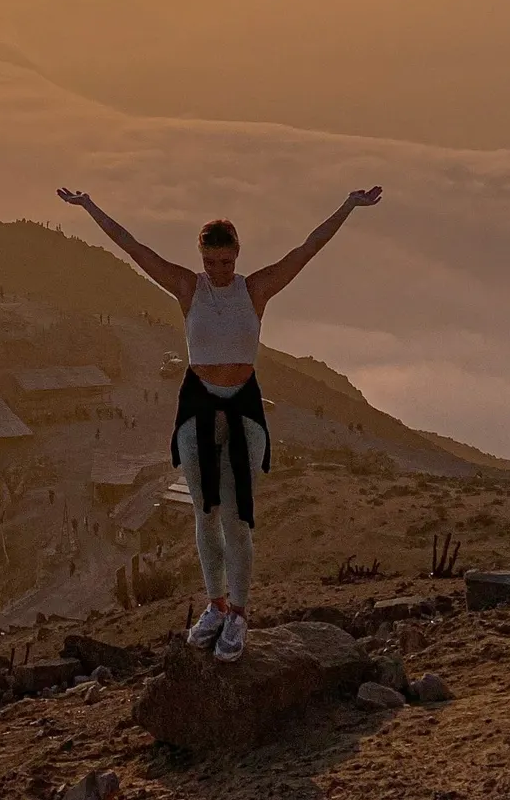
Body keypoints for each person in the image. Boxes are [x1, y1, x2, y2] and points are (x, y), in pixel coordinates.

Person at [56, 185, 382, 663]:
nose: (219, 270)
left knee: (237, 516)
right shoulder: (190, 289)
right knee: (204, 511)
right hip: (198, 404)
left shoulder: (256, 289)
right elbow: (134, 248)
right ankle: (215, 604)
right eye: (211, 262)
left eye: (226, 262)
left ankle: (240, 613)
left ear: (237, 255)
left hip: (243, 405)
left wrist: (348, 206)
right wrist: (89, 207)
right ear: (202, 258)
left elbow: (307, 249)